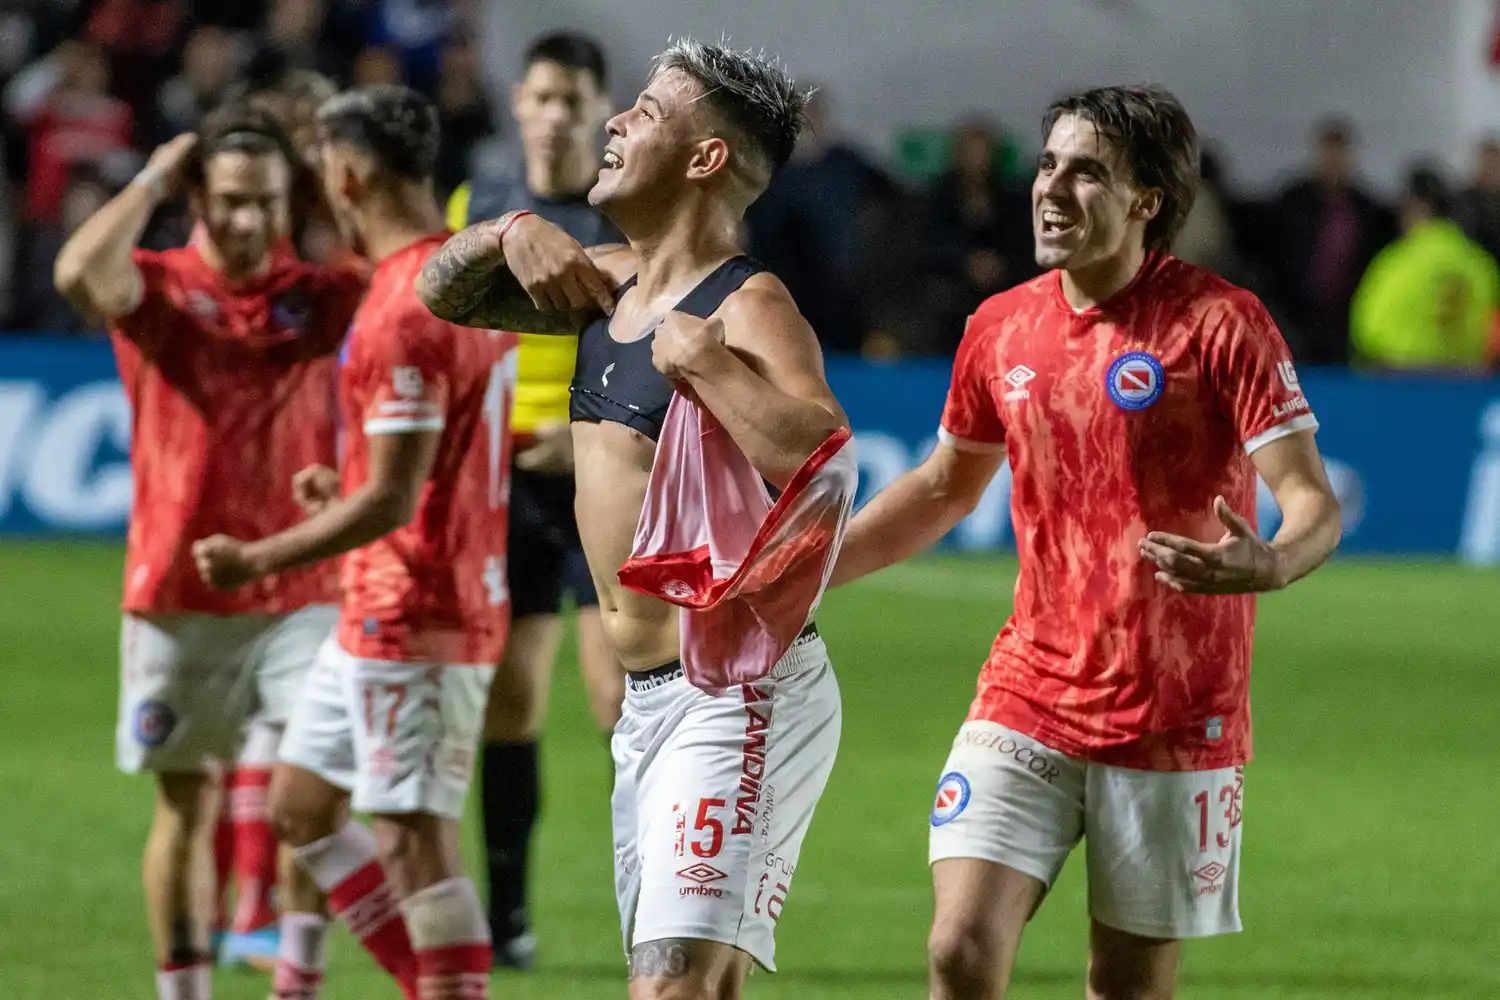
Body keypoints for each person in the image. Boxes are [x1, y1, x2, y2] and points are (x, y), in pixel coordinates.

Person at [829, 85, 1344, 1000]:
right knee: (958, 950)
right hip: (1029, 690)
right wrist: (815, 569)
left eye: (1088, 172)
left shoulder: (1219, 324)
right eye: (1049, 165)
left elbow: (1310, 500)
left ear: (1148, 201)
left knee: (1125, 988)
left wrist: (1272, 560)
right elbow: (945, 485)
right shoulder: (1001, 327)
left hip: (1175, 715)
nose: (1052, 189)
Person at [417, 38, 847, 1000]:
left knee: (668, 986)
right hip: (650, 706)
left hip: (736, 692)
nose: (616, 120)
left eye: (647, 113)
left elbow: (824, 459)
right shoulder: (604, 283)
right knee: (694, 982)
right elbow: (439, 295)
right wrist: (506, 231)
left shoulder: (748, 306)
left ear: (705, 160)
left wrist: (710, 368)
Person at [192, 83, 512, 1000]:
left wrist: (258, 557)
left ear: (347, 173)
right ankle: (419, 982)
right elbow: (418, 472)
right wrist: (354, 491)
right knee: (301, 805)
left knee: (414, 837)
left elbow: (392, 498)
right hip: (392, 596)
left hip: (419, 605)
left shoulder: (403, 305)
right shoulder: (455, 282)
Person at [51, 104, 364, 1000]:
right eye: (229, 201)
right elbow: (76, 267)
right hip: (177, 591)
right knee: (184, 807)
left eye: (265, 203)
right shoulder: (150, 286)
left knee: (312, 798)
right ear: (197, 196)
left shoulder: (320, 293)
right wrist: (157, 169)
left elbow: (408, 272)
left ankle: (294, 986)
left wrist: (327, 181)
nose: (246, 221)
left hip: (302, 588)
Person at [443, 30, 623, 968]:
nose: (557, 114)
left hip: (601, 483)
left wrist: (587, 432)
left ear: (600, 108)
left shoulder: (623, 211)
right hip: (508, 487)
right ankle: (507, 917)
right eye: (543, 96)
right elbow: (456, 336)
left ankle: (657, 900)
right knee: (510, 704)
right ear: (519, 103)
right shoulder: (481, 205)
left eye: (574, 98)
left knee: (617, 699)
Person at [1350, 165, 1500, 371]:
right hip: (1465, 379)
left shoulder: (1400, 259)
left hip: (1407, 377)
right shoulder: (1478, 262)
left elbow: (1368, 327)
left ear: (1417, 208)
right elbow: (1492, 329)